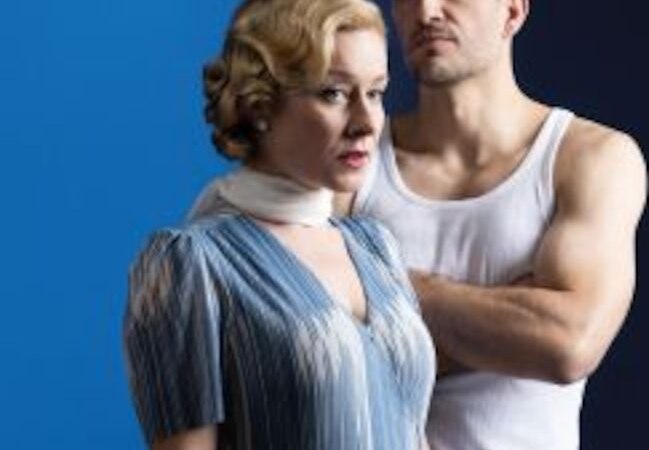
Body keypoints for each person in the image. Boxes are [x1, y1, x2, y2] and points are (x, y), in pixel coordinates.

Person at [123, 1, 435, 449]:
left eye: (377, 93)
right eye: (333, 93)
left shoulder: (375, 245)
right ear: (259, 104)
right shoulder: (191, 264)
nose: (367, 123)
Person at [341, 0, 649, 449]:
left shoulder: (587, 157)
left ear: (513, 10)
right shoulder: (349, 162)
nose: (426, 11)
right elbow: (302, 360)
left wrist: (380, 286)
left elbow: (568, 343)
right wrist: (512, 313)